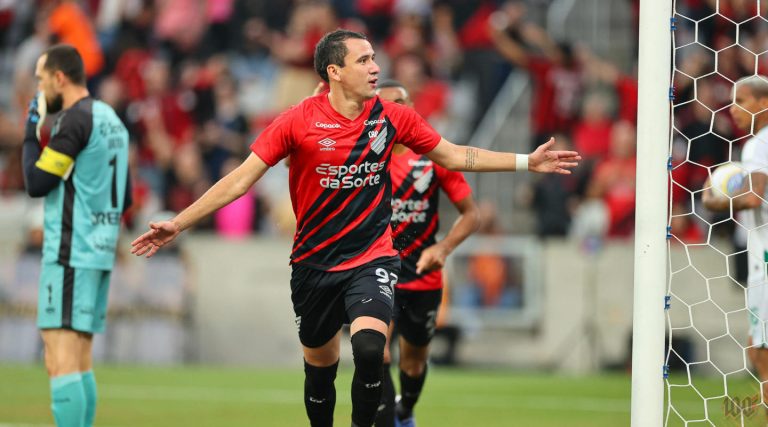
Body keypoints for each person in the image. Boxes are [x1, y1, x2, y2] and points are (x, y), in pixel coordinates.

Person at [130, 29, 579, 427]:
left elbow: (455, 155)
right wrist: (179, 222)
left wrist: (527, 162)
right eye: (363, 60)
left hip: (373, 257)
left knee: (369, 351)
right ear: (335, 71)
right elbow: (239, 180)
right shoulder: (296, 121)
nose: (375, 67)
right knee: (320, 372)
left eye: (374, 58)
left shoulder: (392, 116)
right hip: (313, 265)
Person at [22, 44, 131, 427]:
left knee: (60, 358)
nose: (38, 87)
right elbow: (127, 192)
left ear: (59, 78)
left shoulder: (74, 120)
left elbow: (36, 182)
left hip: (71, 253)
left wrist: (30, 131)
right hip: (98, 250)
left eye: (40, 79)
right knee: (79, 359)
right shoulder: (110, 118)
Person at [372, 80, 479, 427]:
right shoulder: (365, 157)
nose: (394, 110)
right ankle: (388, 420)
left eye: (400, 103)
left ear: (411, 108)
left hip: (422, 273)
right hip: (375, 272)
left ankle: (404, 411)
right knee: (376, 353)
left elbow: (471, 214)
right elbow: (300, 163)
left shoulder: (434, 157)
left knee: (414, 361)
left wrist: (443, 247)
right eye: (386, 105)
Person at [703, 75, 768, 415]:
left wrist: (715, 203)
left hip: (767, 259)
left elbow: (754, 197)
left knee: (760, 351)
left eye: (742, 100)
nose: (733, 108)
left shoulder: (759, 143)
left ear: (764, 103)